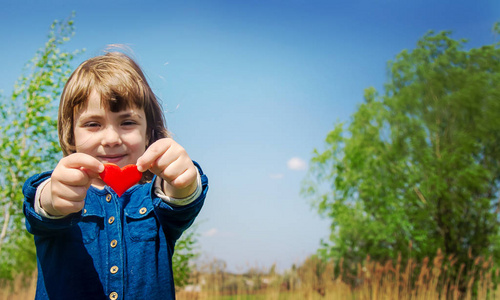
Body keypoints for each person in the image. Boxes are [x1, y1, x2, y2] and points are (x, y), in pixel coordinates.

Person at [22, 50, 208, 299]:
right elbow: (41, 206)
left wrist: (183, 179)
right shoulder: (58, 194)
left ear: (148, 134)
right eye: (93, 124)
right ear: (71, 136)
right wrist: (52, 198)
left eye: (127, 122)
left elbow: (180, 200)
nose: (111, 139)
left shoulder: (154, 200)